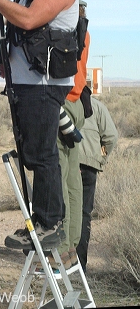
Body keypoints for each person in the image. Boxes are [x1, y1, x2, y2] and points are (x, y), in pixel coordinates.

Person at [0, 0, 79, 250]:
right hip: (25, 84)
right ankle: (40, 221)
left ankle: (50, 225)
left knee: (42, 155)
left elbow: (26, 20)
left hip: (44, 84)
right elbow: (16, 33)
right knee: (32, 155)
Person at [48, 0, 90, 271]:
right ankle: (71, 244)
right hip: (75, 102)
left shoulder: (67, 30)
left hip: (60, 101)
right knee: (72, 177)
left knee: (58, 174)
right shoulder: (82, 29)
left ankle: (61, 246)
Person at [76, 96, 118, 273]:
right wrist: (100, 159)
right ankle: (80, 266)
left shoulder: (60, 101)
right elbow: (111, 136)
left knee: (64, 213)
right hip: (89, 167)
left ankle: (61, 264)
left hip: (66, 165)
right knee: (84, 214)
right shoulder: (97, 106)